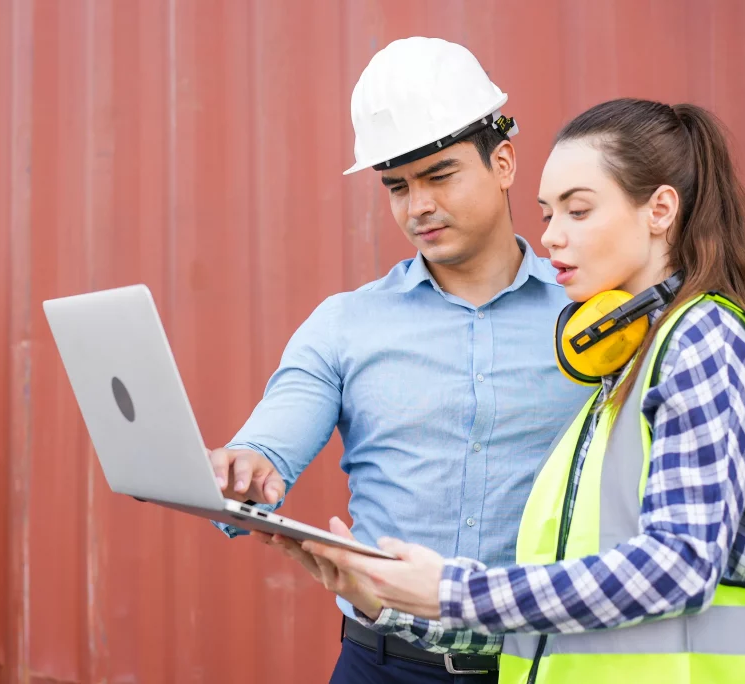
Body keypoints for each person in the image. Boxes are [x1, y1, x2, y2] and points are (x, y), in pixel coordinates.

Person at [299, 97, 745, 683]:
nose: (551, 237)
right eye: (547, 215)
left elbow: (679, 566)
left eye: (578, 211)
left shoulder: (704, 341)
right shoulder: (633, 358)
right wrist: (396, 598)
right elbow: (578, 596)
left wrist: (451, 591)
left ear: (660, 210)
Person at [206, 36, 593, 682]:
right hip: (380, 666)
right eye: (397, 187)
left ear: (503, 163)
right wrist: (246, 469)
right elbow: (270, 444)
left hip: (546, 669)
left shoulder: (597, 317)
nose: (418, 207)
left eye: (440, 176)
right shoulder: (345, 324)